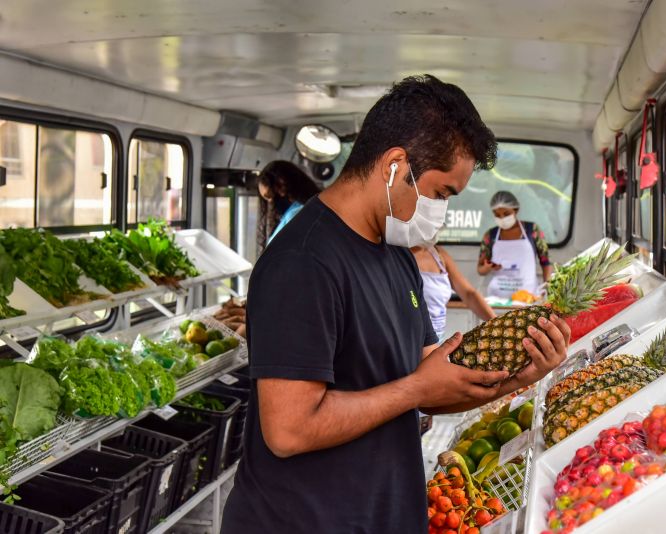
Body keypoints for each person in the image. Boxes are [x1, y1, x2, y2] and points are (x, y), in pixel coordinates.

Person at [221, 75, 570, 533]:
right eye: (442, 193)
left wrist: (517, 378)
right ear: (394, 166)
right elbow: (289, 430)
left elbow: (429, 376)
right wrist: (416, 390)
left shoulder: (395, 254)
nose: (440, 210)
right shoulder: (303, 262)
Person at [411, 244, 496, 342]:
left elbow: (469, 294)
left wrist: (497, 323)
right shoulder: (397, 256)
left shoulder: (438, 254)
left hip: (438, 342)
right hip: (412, 344)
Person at [477, 190, 554, 299]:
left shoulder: (532, 230)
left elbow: (545, 261)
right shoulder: (490, 235)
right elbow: (480, 270)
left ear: (516, 209)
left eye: (506, 214)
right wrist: (488, 267)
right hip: (497, 300)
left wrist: (547, 287)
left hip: (528, 297)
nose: (502, 218)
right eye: (497, 215)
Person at [257, 160, 321, 246]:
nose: (271, 202)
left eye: (271, 196)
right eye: (267, 199)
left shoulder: (296, 213)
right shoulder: (314, 207)